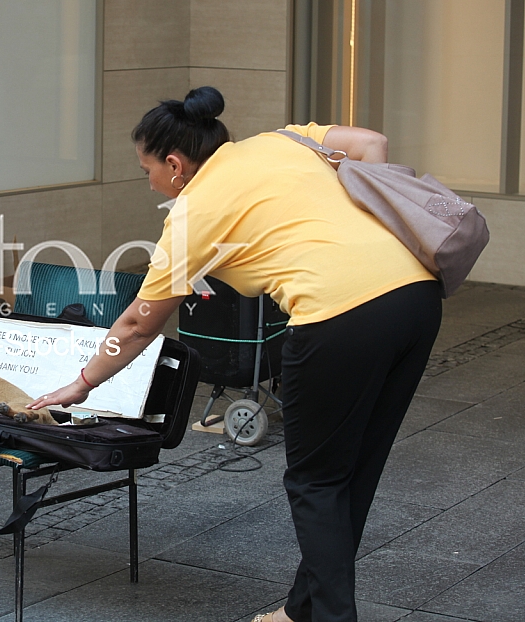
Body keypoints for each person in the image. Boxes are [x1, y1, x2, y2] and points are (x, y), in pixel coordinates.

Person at [29, 86, 442, 622]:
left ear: (175, 165)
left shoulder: (193, 212)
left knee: (315, 482)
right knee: (350, 472)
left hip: (339, 319)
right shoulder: (282, 141)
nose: (149, 181)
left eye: (146, 169)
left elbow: (136, 324)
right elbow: (371, 142)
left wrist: (82, 383)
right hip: (416, 295)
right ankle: (302, 610)